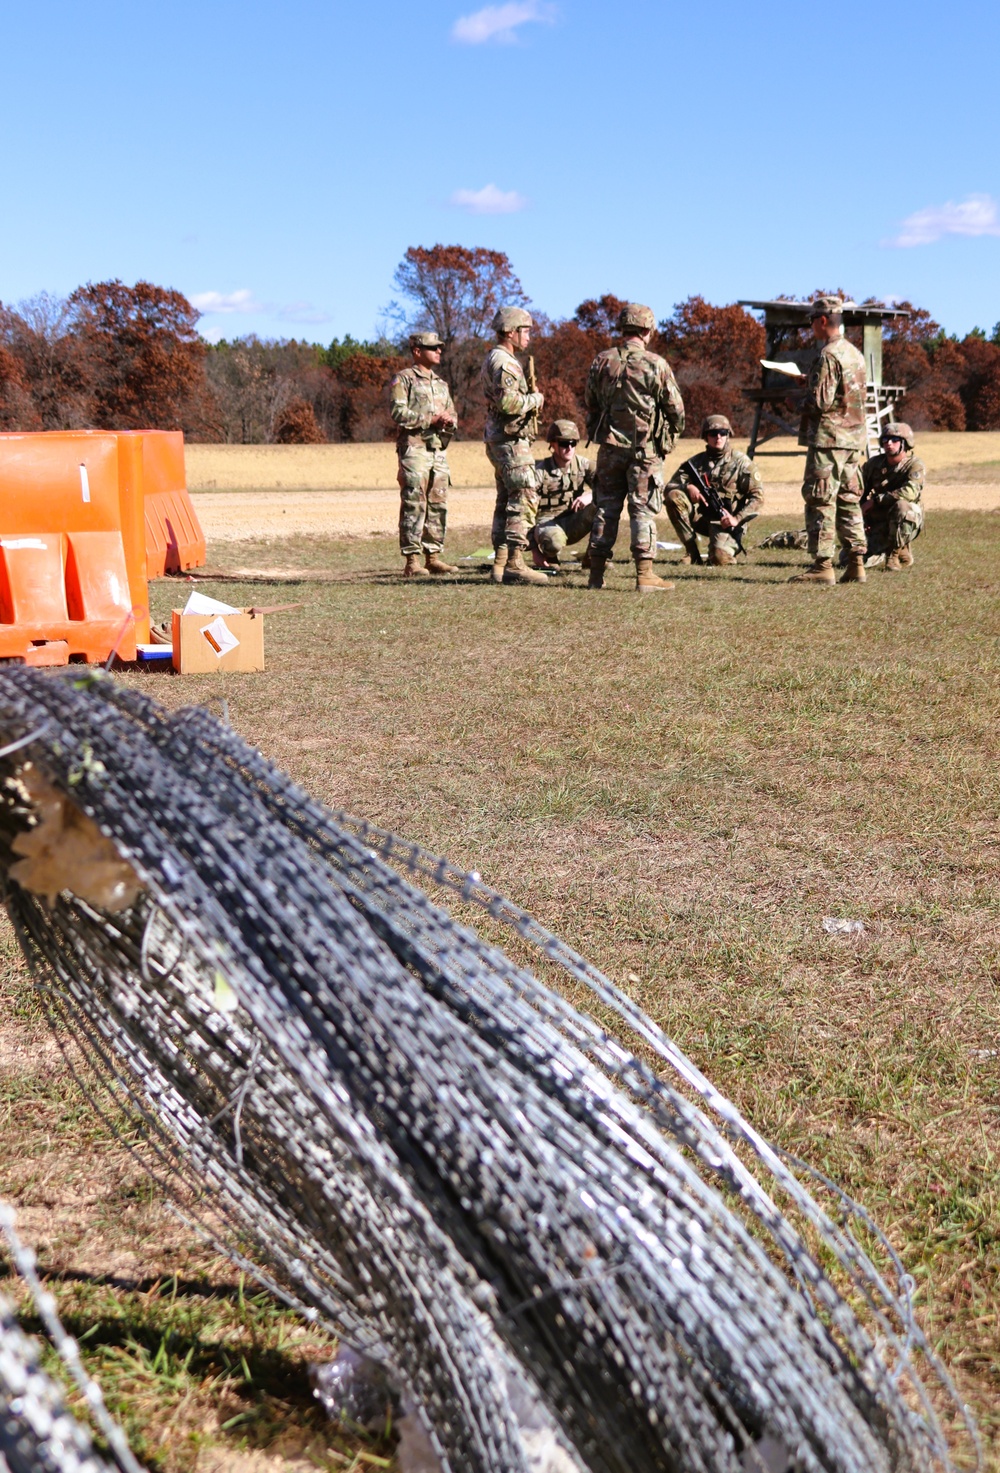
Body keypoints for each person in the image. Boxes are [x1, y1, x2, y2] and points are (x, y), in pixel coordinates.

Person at [583, 303, 685, 592]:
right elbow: (676, 410)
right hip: (644, 450)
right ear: (646, 330)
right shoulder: (656, 364)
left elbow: (590, 402)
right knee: (642, 509)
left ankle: (596, 576)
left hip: (609, 448)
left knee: (605, 508)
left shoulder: (601, 360)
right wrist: (670, 437)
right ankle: (645, 574)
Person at [789, 295, 868, 586]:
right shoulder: (854, 354)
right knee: (848, 498)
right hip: (852, 439)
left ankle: (822, 565)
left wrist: (793, 403)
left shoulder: (828, 355)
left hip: (829, 440)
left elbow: (819, 403)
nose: (810, 326)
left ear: (823, 321)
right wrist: (810, 379)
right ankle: (856, 563)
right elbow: (845, 393)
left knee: (820, 498)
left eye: (811, 320)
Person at [481, 306, 547, 585]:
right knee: (524, 496)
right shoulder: (505, 362)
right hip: (510, 441)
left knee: (505, 500)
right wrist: (535, 399)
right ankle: (516, 563)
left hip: (500, 439)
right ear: (510, 331)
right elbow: (508, 403)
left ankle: (499, 563)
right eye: (525, 330)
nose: (529, 336)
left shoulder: (493, 358)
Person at [389, 333, 459, 577]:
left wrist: (449, 422)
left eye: (440, 347)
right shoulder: (404, 379)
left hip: (437, 450)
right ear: (417, 351)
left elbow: (452, 413)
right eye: (433, 347)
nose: (439, 351)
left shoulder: (441, 384)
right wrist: (430, 419)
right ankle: (412, 561)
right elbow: (398, 412)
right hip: (414, 448)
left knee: (438, 503)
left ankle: (434, 557)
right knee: (414, 502)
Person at [665, 415, 764, 565]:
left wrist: (736, 519)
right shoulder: (696, 462)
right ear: (705, 437)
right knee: (674, 496)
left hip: (727, 522)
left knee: (720, 559)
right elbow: (668, 488)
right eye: (713, 433)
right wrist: (688, 487)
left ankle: (723, 548)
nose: (718, 437)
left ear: (728, 435)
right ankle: (692, 553)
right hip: (703, 518)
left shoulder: (741, 462)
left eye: (723, 433)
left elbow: (758, 497)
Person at [526, 419, 596, 569]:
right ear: (552, 444)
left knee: (604, 505)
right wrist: (534, 550)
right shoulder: (539, 472)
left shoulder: (584, 465)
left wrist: (590, 496)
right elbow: (524, 511)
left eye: (573, 443)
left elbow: (609, 488)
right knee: (553, 541)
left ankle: (594, 555)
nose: (569, 448)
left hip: (574, 521)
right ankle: (550, 555)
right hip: (548, 524)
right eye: (564, 443)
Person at [860, 422, 924, 570]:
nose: (889, 443)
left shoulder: (914, 465)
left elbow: (909, 492)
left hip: (907, 518)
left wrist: (876, 501)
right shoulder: (873, 464)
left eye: (895, 440)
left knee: (901, 506)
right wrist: (862, 517)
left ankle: (893, 554)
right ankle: (895, 549)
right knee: (849, 559)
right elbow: (859, 491)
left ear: (905, 443)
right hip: (880, 519)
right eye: (885, 440)